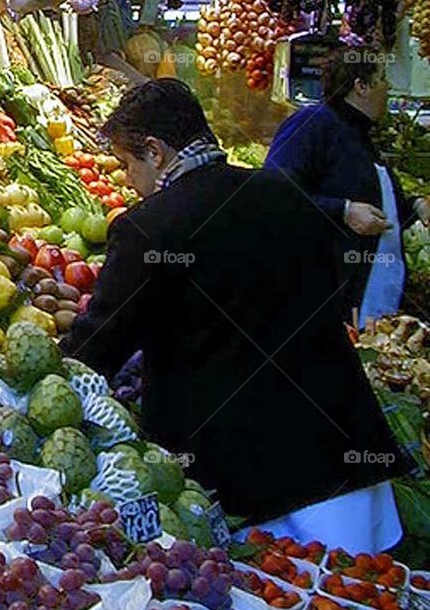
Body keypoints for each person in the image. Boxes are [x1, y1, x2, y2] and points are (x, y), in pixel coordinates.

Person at [65, 78, 404, 539]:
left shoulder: (149, 228)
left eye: (126, 164)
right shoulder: (287, 196)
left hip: (245, 483)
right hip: (340, 454)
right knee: (355, 600)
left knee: (263, 604)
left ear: (155, 151)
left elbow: (93, 353)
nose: (126, 180)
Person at [265, 46, 430, 326]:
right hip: (331, 304)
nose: (388, 87)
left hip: (373, 303)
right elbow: (272, 192)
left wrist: (415, 206)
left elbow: (376, 203)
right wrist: (344, 211)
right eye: (382, 78)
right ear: (361, 86)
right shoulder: (313, 123)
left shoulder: (360, 135)